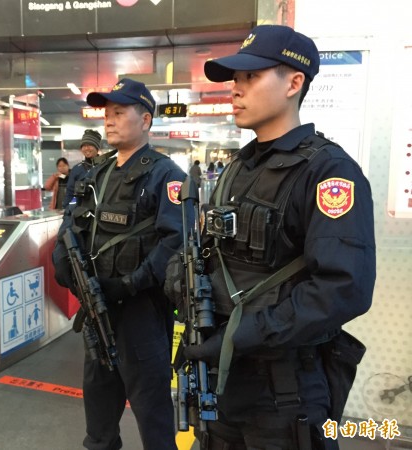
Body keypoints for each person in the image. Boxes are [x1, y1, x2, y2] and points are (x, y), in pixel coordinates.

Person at [166, 25, 376, 449]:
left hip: (284, 391)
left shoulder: (328, 172)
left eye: (251, 77)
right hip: (224, 383)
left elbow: (343, 288)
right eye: (235, 79)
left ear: (294, 83)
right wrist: (178, 281)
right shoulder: (237, 169)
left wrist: (242, 335)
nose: (235, 90)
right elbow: (208, 250)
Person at [52, 78, 188, 450]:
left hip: (141, 314)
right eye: (106, 113)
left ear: (145, 120)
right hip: (97, 312)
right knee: (98, 418)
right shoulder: (94, 173)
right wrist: (62, 260)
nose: (109, 121)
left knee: (153, 417)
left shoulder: (166, 175)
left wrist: (130, 284)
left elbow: (176, 241)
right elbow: (71, 222)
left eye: (119, 112)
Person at [63, 129, 103, 208]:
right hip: (81, 213)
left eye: (90, 145)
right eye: (84, 146)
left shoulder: (105, 167)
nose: (86, 148)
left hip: (100, 213)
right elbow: (69, 193)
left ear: (97, 148)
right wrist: (67, 213)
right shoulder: (77, 169)